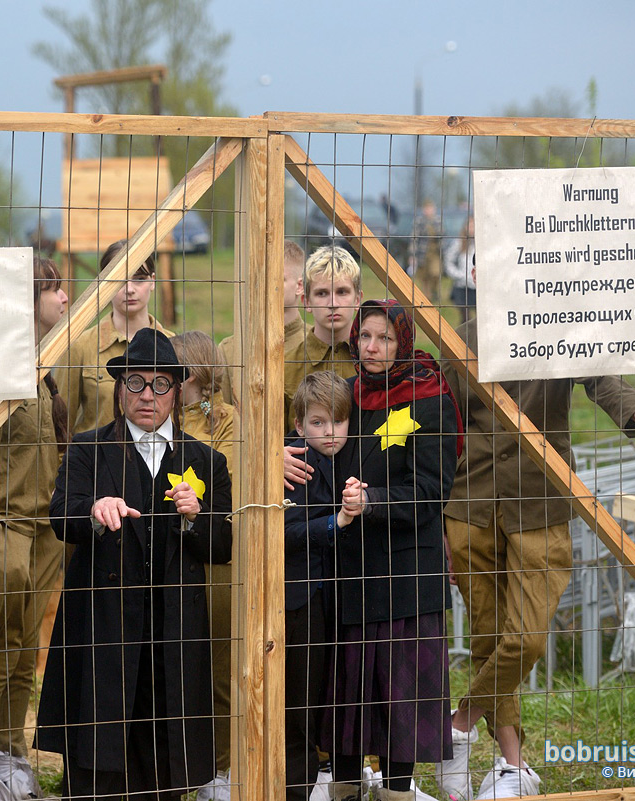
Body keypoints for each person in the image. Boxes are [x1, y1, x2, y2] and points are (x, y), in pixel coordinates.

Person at [437, 264, 635, 800]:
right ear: (477, 269)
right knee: (487, 639)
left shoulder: (561, 323)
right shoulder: (462, 337)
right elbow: (448, 421)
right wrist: (439, 518)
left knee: (525, 638)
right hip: (471, 505)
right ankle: (512, 767)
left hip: (541, 499)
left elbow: (604, 380)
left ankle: (458, 725)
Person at [37, 328, 234, 800]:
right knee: (97, 753)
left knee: (164, 755)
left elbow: (223, 544)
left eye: (160, 384)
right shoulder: (88, 448)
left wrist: (195, 518)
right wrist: (93, 512)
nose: (148, 395)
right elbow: (61, 515)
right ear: (120, 388)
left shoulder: (206, 461)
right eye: (136, 382)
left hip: (172, 631)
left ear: (178, 390)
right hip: (102, 625)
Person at [316, 300, 461, 801]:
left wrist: (373, 501)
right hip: (352, 568)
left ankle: (399, 790)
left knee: (400, 699)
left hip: (407, 573)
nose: (373, 348)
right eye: (365, 337)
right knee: (351, 693)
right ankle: (346, 789)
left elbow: (432, 490)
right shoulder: (348, 396)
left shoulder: (429, 397)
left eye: (385, 339)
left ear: (404, 343)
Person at [0, 256, 69, 769]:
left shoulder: (43, 366)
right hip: (6, 529)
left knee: (25, 657)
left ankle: (11, 759)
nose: (65, 298)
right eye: (54, 289)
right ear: (27, 298)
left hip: (47, 530)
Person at [171, 330, 241, 796]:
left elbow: (226, 489)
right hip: (172, 562)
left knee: (218, 669)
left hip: (216, 564)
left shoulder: (227, 422)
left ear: (189, 374)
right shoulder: (164, 422)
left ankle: (223, 767)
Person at [281, 370, 355, 800]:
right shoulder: (295, 464)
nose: (329, 432)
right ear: (299, 425)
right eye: (317, 422)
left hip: (336, 601)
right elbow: (286, 531)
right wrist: (336, 522)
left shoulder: (344, 461)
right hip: (301, 601)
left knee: (326, 700)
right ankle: (294, 789)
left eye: (337, 421)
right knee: (300, 707)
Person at [57, 239, 175, 436]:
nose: (129, 289)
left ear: (152, 281)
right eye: (118, 280)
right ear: (103, 283)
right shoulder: (80, 346)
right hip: (94, 464)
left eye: (139, 278)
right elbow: (60, 425)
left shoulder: (174, 345)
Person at [218, 239, 309, 409]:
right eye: (260, 278)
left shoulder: (313, 344)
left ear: (299, 286)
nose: (266, 287)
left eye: (276, 279)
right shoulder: (230, 349)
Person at [282, 245, 364, 430]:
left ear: (357, 300)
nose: (333, 304)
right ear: (307, 302)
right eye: (322, 293)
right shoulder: (285, 366)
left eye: (342, 292)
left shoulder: (374, 361)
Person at [442, 216, 476, 323]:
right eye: (469, 225)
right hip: (462, 286)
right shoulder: (458, 243)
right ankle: (464, 338)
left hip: (477, 286)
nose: (471, 228)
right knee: (465, 318)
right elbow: (448, 260)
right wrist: (458, 274)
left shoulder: (482, 244)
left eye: (473, 225)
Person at [411, 201, 443, 304]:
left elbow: (443, 236)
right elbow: (414, 238)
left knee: (435, 273)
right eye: (426, 208)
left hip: (435, 252)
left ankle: (433, 290)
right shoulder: (419, 221)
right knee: (424, 276)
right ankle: (427, 297)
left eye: (430, 208)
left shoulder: (438, 221)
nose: (428, 211)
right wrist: (412, 254)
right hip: (422, 252)